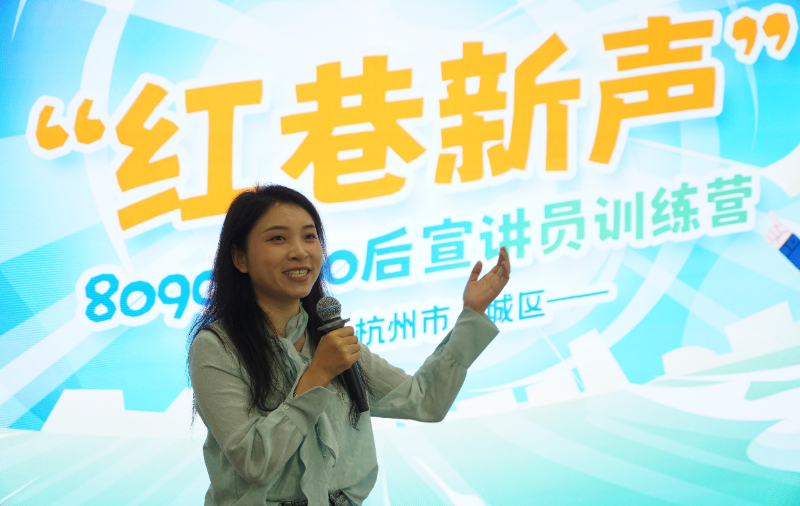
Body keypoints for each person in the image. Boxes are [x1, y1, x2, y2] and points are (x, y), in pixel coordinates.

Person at [188, 185, 510, 506]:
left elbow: (425, 400)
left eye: (309, 236)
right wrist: (318, 374)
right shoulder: (216, 347)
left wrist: (471, 316)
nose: (299, 251)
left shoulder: (328, 335)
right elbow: (254, 462)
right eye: (278, 238)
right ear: (240, 258)